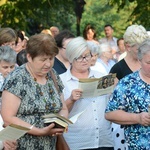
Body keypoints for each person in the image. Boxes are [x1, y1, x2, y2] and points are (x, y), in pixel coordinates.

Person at [1, 33, 68, 149]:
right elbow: (8, 117)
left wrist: (61, 124)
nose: (48, 64)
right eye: (43, 60)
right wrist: (38, 131)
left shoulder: (53, 75)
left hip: (51, 145)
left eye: (51, 59)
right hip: (22, 145)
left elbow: (63, 108)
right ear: (29, 57)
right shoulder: (17, 78)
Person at [60, 37, 114, 150]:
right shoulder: (62, 81)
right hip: (77, 143)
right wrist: (70, 100)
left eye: (87, 55)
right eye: (79, 57)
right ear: (70, 58)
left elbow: (112, 106)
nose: (85, 60)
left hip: (104, 141)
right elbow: (58, 116)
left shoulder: (101, 76)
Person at [109, 24, 149, 150]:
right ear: (128, 46)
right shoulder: (117, 69)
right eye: (140, 49)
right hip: (125, 131)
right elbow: (112, 104)